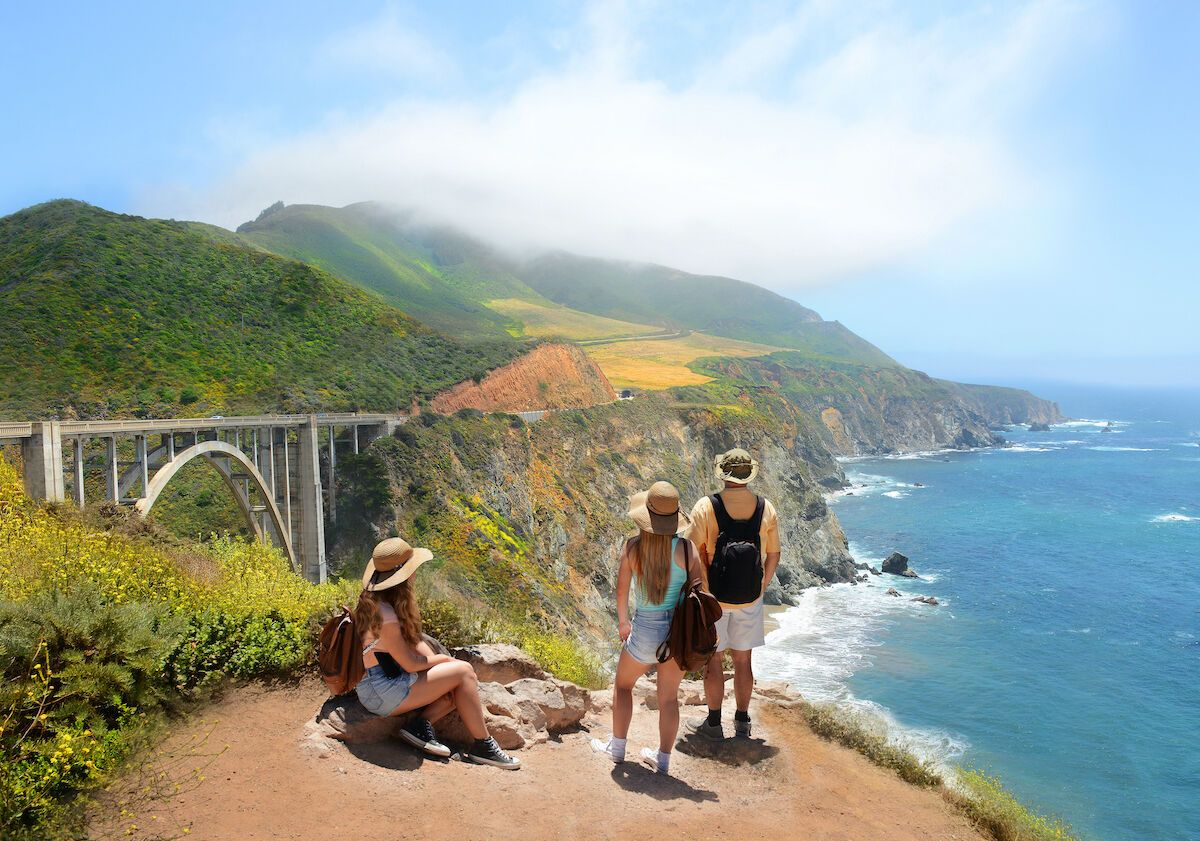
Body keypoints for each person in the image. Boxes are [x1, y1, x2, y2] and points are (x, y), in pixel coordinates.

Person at [355, 537, 521, 769]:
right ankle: (484, 746)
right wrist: (446, 661)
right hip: (382, 691)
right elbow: (412, 664)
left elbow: (413, 642)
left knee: (459, 685)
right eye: (412, 570)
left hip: (382, 683)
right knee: (464, 673)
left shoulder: (377, 600)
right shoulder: (387, 616)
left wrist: (447, 669)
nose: (415, 574)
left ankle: (420, 726)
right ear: (403, 577)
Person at [591, 481, 700, 775]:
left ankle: (617, 748)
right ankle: (663, 760)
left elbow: (621, 591)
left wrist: (624, 623)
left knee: (623, 686)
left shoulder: (633, 547)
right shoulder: (687, 550)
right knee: (668, 698)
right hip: (676, 635)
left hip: (644, 630)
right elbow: (702, 593)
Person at [684, 449, 781, 740]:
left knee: (714, 660)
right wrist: (761, 587)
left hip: (713, 600)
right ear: (748, 474)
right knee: (743, 661)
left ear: (723, 474)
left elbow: (692, 551)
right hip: (749, 598)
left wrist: (702, 592)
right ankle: (742, 722)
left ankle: (713, 724)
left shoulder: (706, 506)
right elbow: (773, 555)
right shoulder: (766, 508)